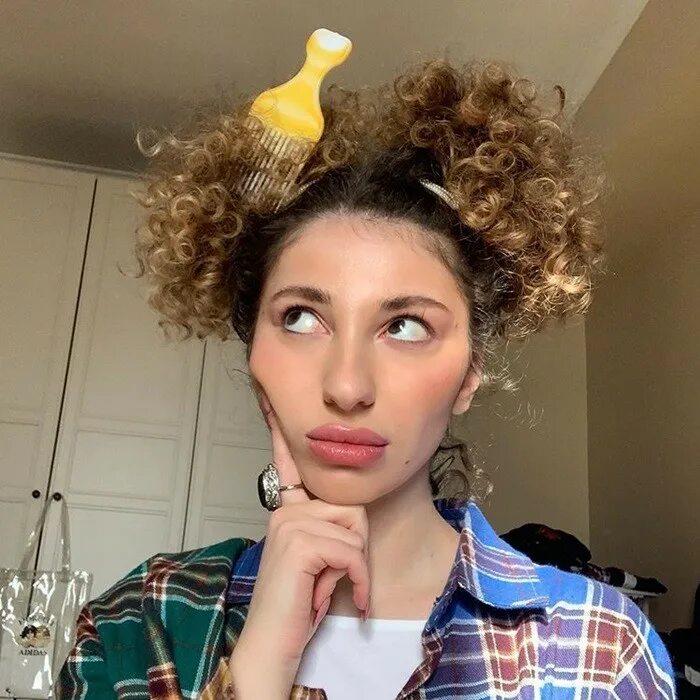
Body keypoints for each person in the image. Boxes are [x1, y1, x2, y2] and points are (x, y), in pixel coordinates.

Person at [55, 57, 676, 699]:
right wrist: (261, 665)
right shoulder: (141, 620)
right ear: (253, 353)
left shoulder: (597, 648)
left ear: (469, 374)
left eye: (405, 326)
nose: (347, 387)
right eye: (301, 318)